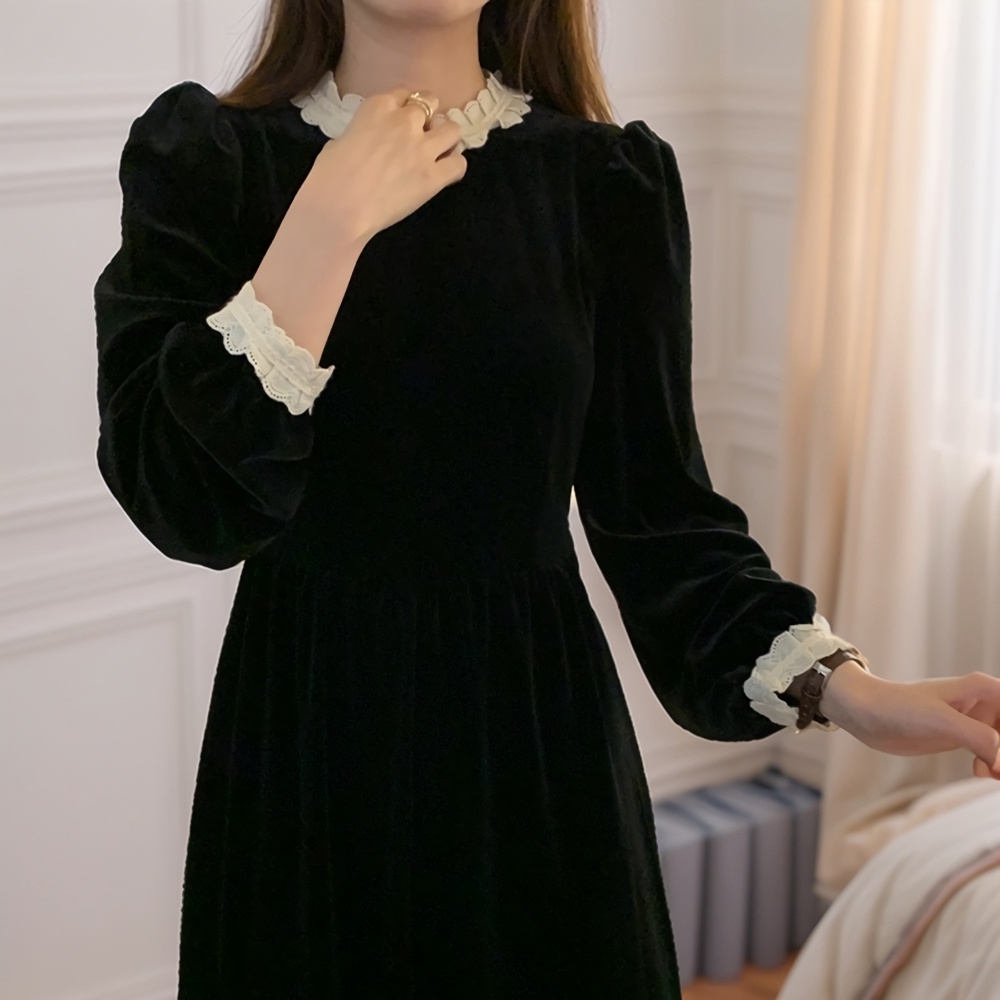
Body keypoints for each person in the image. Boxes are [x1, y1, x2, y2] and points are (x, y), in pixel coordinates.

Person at [92, 0, 1000, 996]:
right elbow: (183, 501)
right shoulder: (207, 161)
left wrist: (848, 691)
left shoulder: (603, 182)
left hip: (534, 746)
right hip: (304, 748)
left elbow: (662, 520)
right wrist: (327, 222)